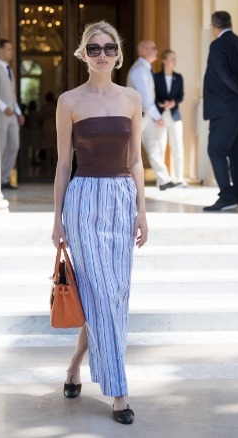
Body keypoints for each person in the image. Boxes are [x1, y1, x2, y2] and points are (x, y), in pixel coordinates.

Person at [52, 20, 148, 425]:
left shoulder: (131, 97)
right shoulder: (69, 101)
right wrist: (57, 219)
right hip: (84, 198)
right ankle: (119, 391)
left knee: (112, 297)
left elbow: (136, 159)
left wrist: (142, 209)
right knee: (104, 293)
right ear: (83, 54)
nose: (102, 54)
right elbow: (61, 164)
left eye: (108, 48)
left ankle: (75, 363)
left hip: (121, 199)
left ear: (118, 53)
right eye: (94, 48)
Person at [202, 11, 238, 211]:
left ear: (214, 27)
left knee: (216, 149)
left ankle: (227, 195)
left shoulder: (218, 44)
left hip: (225, 108)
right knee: (237, 153)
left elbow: (224, 74)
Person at [126, 39, 176, 190]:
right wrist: (158, 116)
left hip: (145, 115)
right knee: (128, 148)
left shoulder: (146, 69)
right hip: (139, 115)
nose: (156, 50)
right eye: (153, 48)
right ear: (143, 51)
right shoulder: (140, 70)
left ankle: (163, 179)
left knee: (153, 145)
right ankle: (120, 178)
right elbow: (145, 97)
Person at [153, 49, 187, 187]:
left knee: (178, 146)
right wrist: (161, 104)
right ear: (164, 60)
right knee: (160, 146)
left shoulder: (178, 77)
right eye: (172, 58)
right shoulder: (156, 77)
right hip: (160, 116)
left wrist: (173, 102)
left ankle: (179, 178)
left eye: (175, 59)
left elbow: (181, 96)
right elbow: (152, 96)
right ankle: (162, 179)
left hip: (174, 115)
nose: (174, 61)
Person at [0, 39, 25, 190]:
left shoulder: (10, 70)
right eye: (9, 49)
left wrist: (19, 112)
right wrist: (3, 107)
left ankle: (5, 178)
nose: (12, 52)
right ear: (0, 50)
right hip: (1, 114)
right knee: (1, 146)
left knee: (14, 145)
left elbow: (12, 94)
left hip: (12, 115)